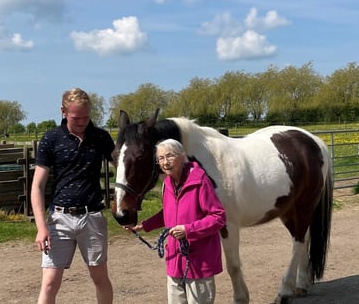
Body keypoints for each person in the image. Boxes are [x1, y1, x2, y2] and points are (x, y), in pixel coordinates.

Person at [31, 87, 114, 304]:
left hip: (92, 217)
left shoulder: (101, 137)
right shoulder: (51, 139)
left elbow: (125, 166)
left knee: (100, 277)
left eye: (86, 117)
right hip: (59, 219)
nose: (82, 122)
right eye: (77, 117)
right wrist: (41, 227)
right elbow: (37, 187)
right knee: (49, 281)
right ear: (63, 111)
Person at [126, 139, 226, 304]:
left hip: (198, 261)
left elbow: (218, 217)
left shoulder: (200, 181)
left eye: (169, 156)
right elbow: (168, 212)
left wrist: (188, 230)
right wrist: (144, 225)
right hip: (174, 259)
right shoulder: (167, 183)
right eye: (161, 158)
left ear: (182, 156)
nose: (165, 162)